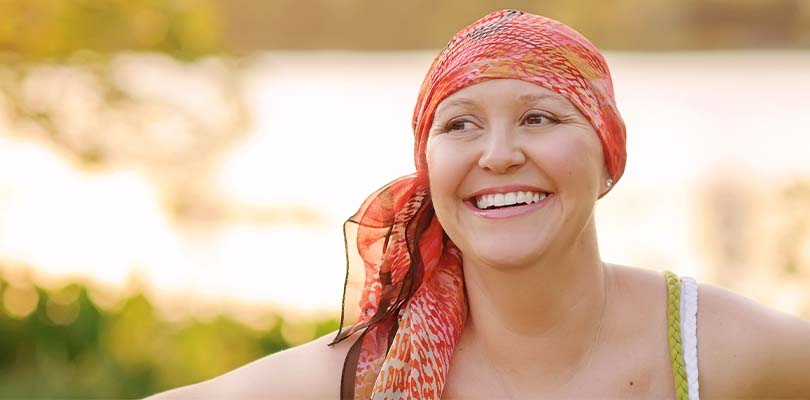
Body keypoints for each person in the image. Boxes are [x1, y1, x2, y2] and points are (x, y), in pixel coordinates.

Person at [146, 9, 810, 400]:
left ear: (608, 154)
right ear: (428, 166)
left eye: (541, 118)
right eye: (460, 125)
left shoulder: (708, 349)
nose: (497, 154)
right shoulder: (368, 372)